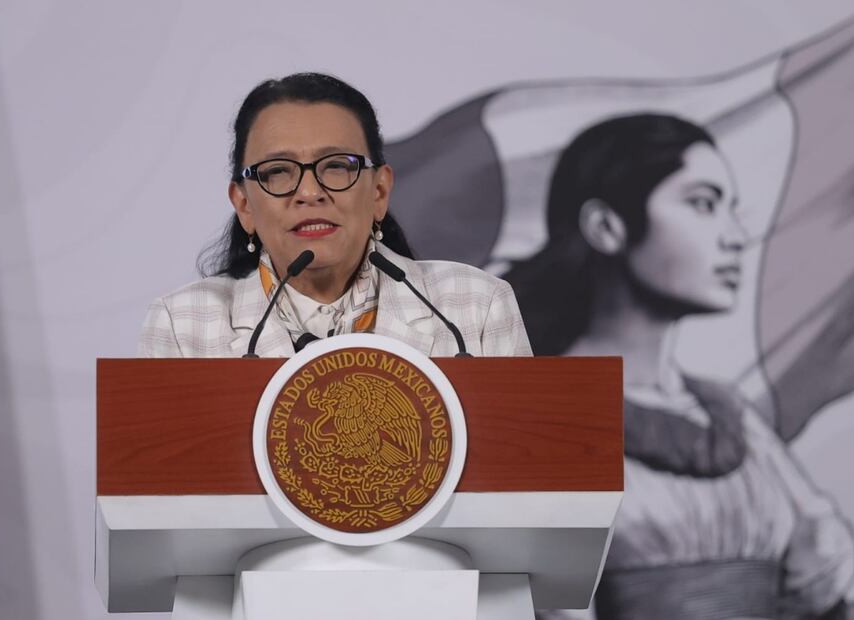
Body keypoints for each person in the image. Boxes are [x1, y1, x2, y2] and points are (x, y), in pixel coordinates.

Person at [504, 114, 854, 620]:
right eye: (703, 204)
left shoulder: (731, 418)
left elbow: (830, 581)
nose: (735, 236)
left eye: (732, 209)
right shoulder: (542, 418)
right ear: (607, 227)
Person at [138, 72, 532, 359]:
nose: (310, 192)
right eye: (277, 171)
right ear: (244, 205)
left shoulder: (474, 308)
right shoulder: (183, 325)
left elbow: (523, 469)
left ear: (379, 192)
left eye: (337, 166)